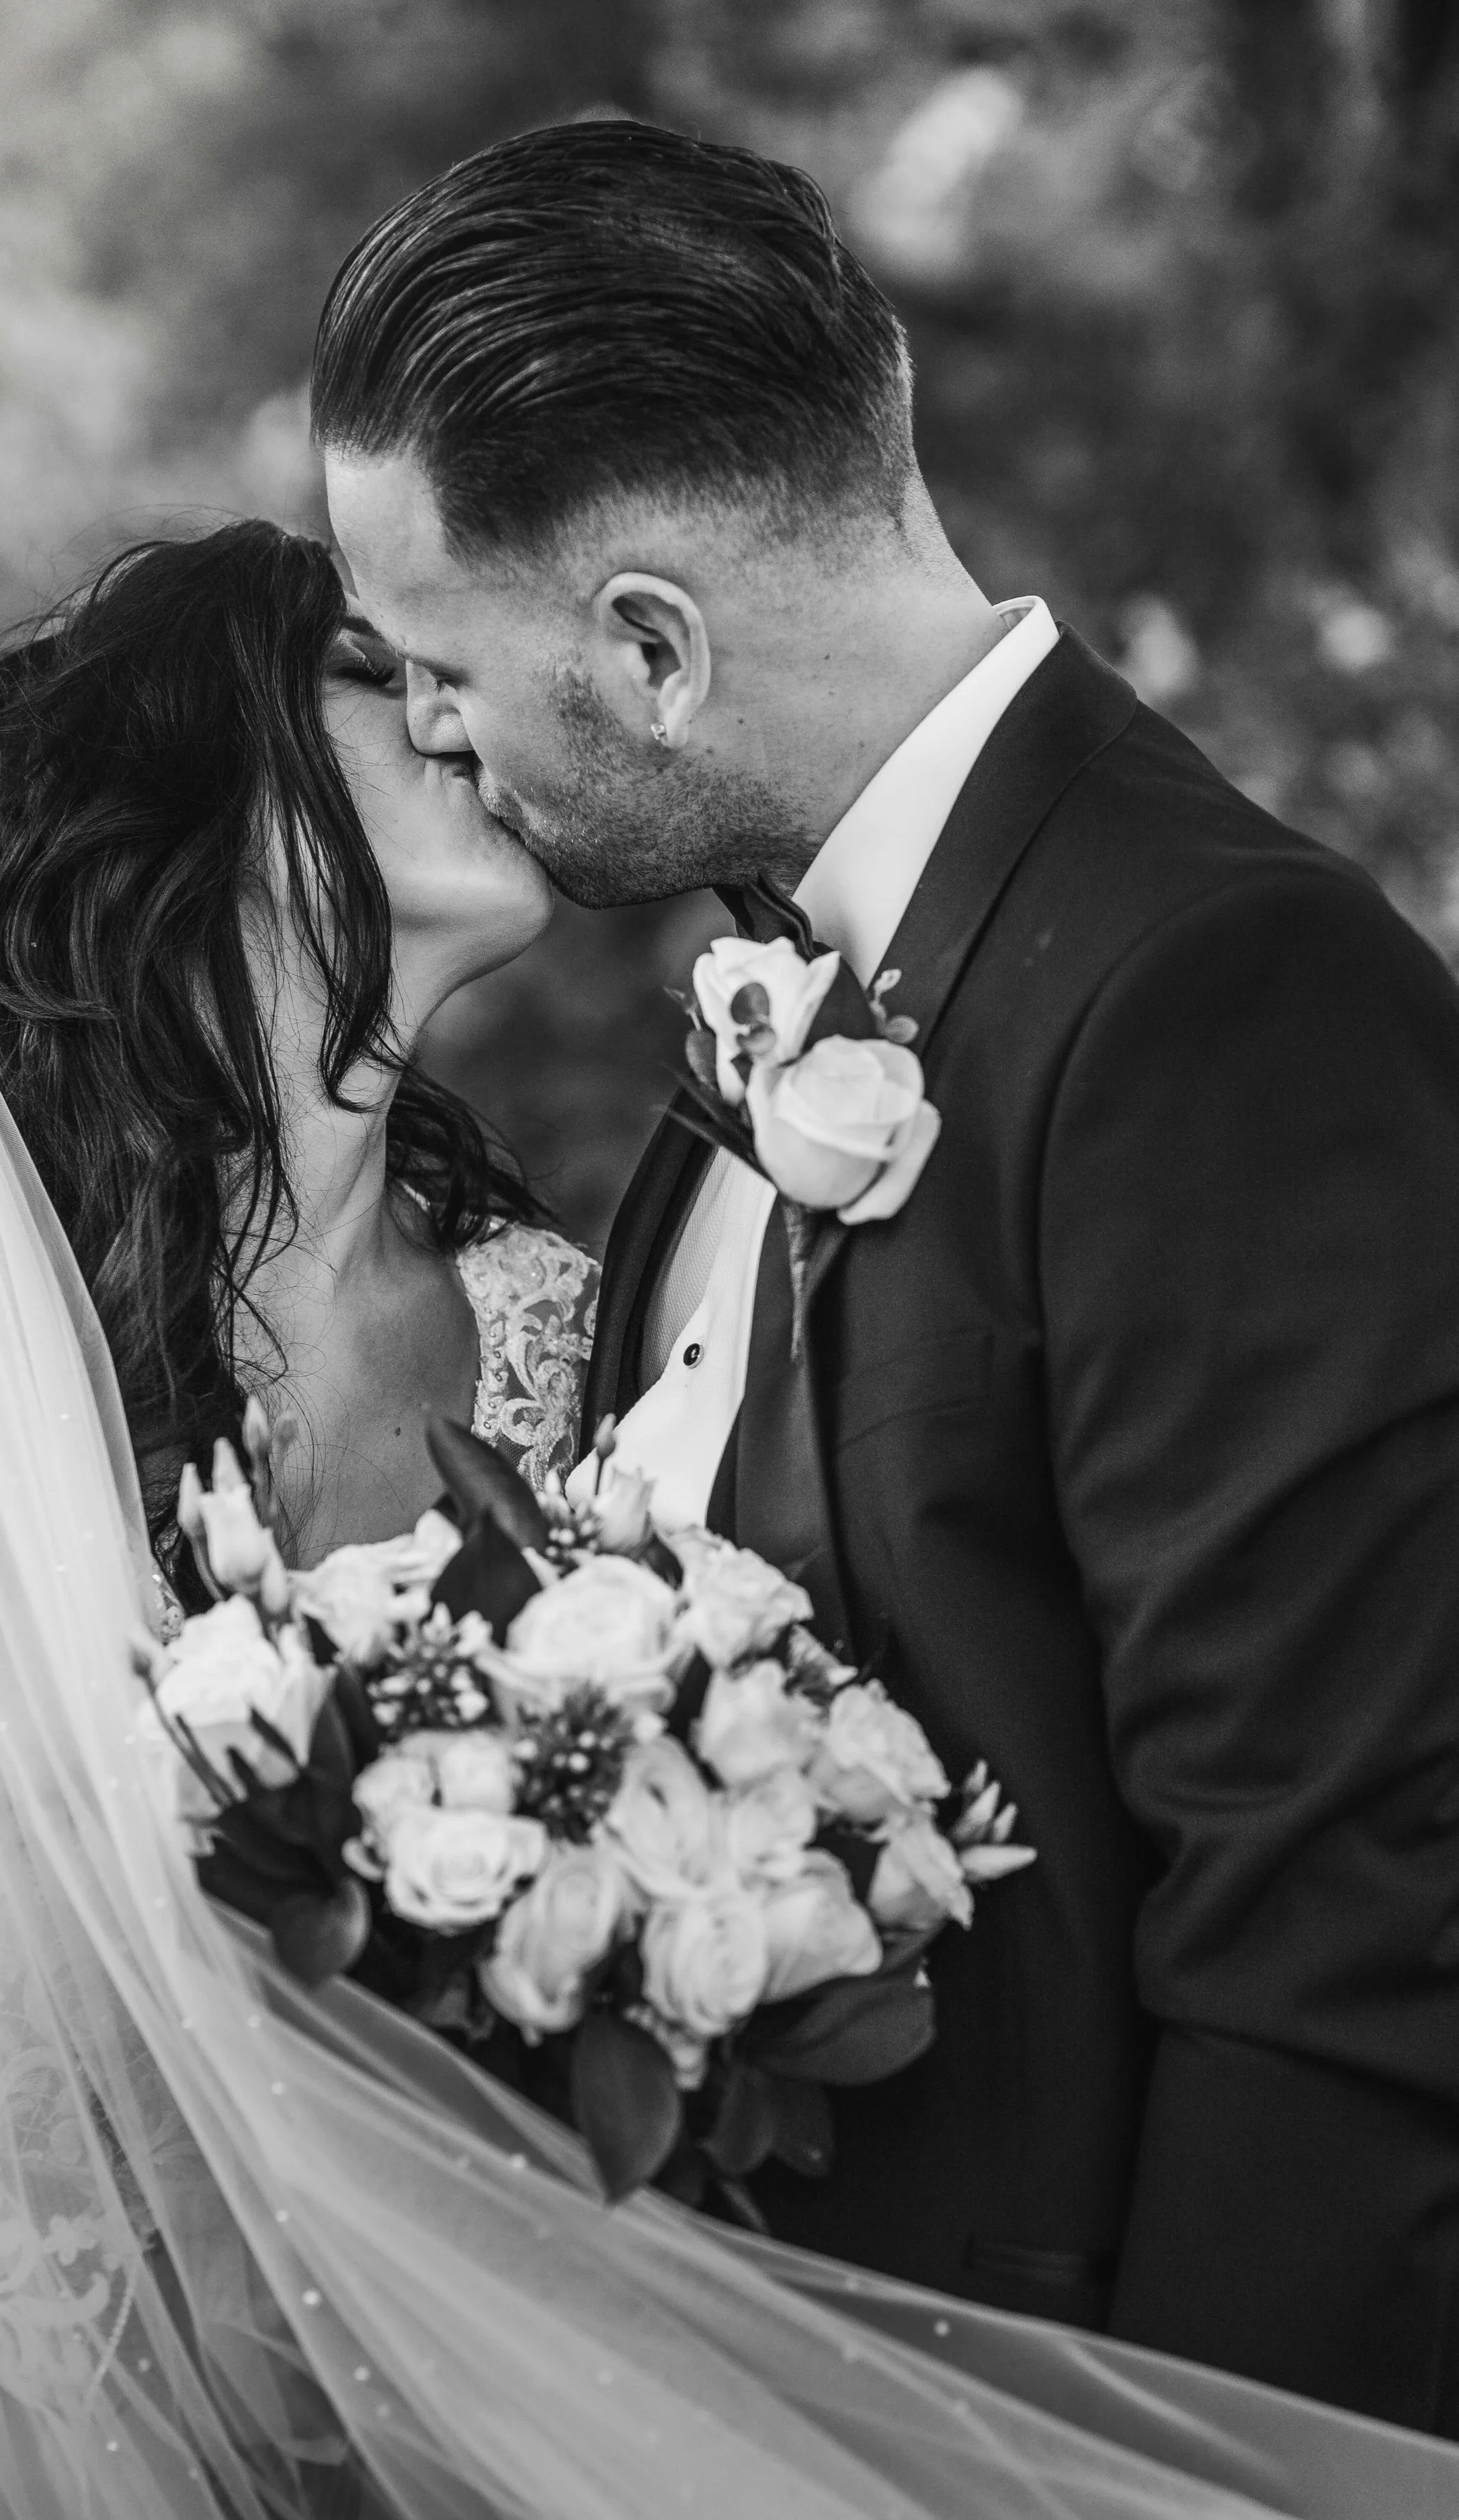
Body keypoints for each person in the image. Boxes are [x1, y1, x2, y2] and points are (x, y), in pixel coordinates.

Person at [315, 118, 1459, 2437]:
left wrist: (1170, 2480)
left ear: (648, 647)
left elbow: (1346, 1913)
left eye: (439, 666)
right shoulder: (777, 983)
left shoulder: (1212, 986)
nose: (426, 737)